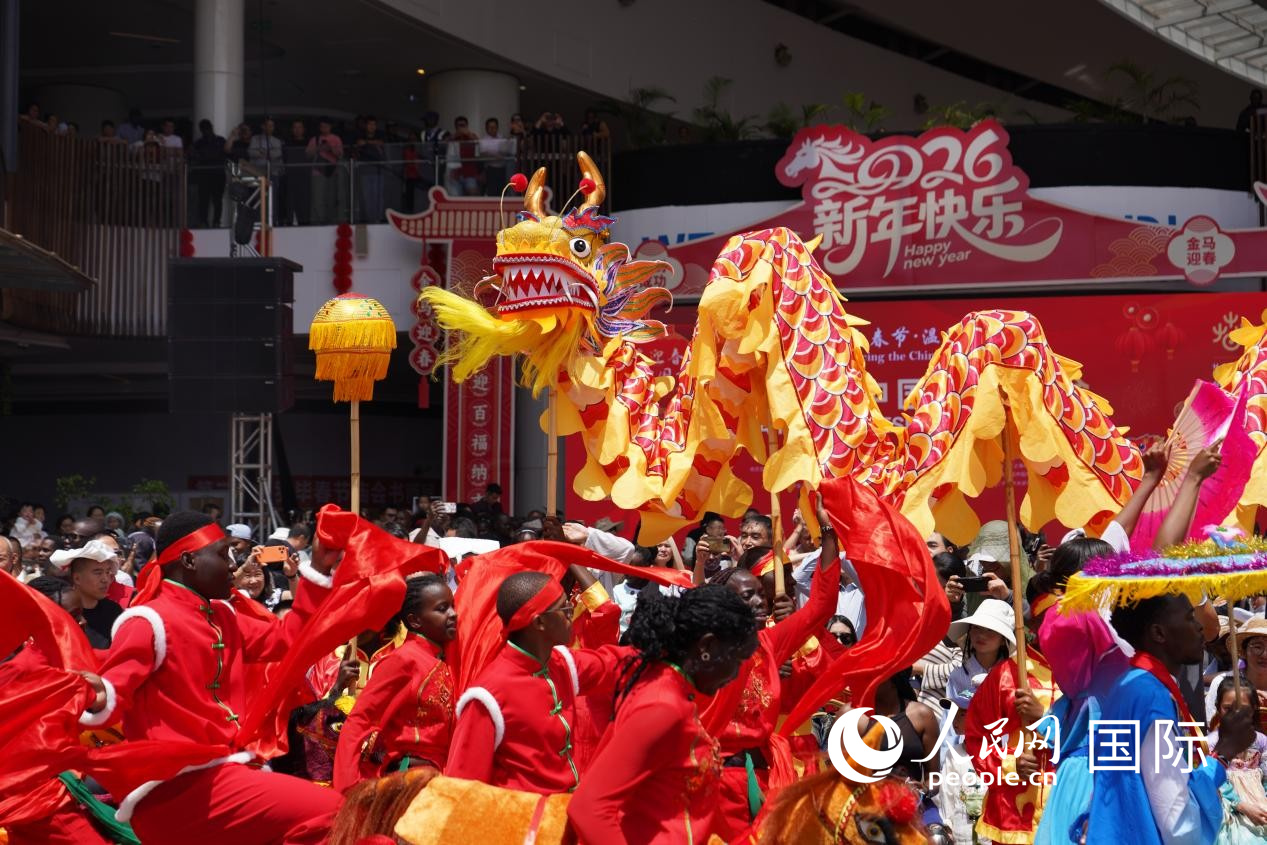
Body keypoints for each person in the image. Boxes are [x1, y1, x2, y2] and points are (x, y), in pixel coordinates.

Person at [76, 511, 342, 844]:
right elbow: (113, 691)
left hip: (223, 776)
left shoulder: (223, 616)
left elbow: (290, 639)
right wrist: (99, 695)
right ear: (189, 560)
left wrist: (317, 570)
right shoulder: (148, 620)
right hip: (177, 789)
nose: (232, 565)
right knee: (338, 812)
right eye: (222, 553)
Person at [568, 585, 758, 843]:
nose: (735, 675)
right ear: (707, 646)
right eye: (736, 660)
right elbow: (589, 807)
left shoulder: (670, 688)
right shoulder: (663, 706)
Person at [703, 505, 842, 840]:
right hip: (715, 778)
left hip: (767, 772)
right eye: (748, 595)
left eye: (759, 593)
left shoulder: (768, 642)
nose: (759, 602)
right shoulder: (701, 650)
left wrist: (828, 532)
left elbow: (821, 606)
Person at [1087, 595, 1256, 845]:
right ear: (1159, 633)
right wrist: (1224, 752)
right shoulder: (1151, 696)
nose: (1199, 626)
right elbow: (1177, 822)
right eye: (1189, 617)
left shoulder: (1131, 683)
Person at [445, 569, 628, 793]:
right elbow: (461, 788)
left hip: (563, 809)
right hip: (521, 813)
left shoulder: (560, 662)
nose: (571, 613)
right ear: (539, 622)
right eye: (564, 609)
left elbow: (615, 664)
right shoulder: (487, 696)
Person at [334, 574, 457, 790]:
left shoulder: (444, 659)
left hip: (441, 776)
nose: (453, 614)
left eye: (453, 606)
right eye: (442, 609)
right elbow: (359, 720)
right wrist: (349, 787)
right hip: (410, 780)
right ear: (415, 620)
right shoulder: (404, 659)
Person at [961, 600, 1058, 845]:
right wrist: (1011, 764)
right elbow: (976, 736)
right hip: (1015, 808)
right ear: (1035, 624)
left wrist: (1043, 718)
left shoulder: (1086, 674)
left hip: (1068, 797)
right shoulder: (1007, 674)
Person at [1208, 675, 1267, 844]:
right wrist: (1241, 806)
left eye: (1244, 710)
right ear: (1218, 707)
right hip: (1229, 807)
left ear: (1254, 708)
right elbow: (1214, 782)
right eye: (1228, 709)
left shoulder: (1261, 741)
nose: (1236, 716)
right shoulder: (1211, 743)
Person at [60, 541, 124, 648]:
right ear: (77, 578)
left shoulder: (114, 611)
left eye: (107, 572)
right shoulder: (64, 613)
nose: (105, 579)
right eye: (98, 573)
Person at [191, 119, 227, 228]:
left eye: (208, 128)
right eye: (204, 129)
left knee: (217, 200)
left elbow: (226, 155)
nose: (207, 131)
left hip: (218, 174)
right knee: (204, 200)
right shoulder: (199, 143)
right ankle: (204, 222)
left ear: (211, 127)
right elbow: (195, 157)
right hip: (204, 175)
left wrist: (207, 156)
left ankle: (216, 222)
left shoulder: (220, 140)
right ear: (201, 130)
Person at [307, 118, 344, 224]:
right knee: (317, 198)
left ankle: (330, 221)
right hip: (317, 172)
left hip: (332, 172)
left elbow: (341, 155)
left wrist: (331, 148)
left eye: (326, 126)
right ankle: (318, 222)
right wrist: (318, 149)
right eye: (322, 126)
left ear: (330, 127)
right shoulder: (314, 139)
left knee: (331, 197)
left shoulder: (336, 139)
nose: (324, 128)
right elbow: (308, 155)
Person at [249, 117, 286, 223]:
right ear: (263, 126)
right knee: (258, 198)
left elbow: (277, 154)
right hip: (257, 173)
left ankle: (272, 221)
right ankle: (258, 221)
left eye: (271, 126)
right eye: (267, 125)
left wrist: (262, 152)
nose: (270, 128)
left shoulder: (276, 141)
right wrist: (267, 153)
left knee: (272, 198)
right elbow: (251, 152)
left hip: (272, 173)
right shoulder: (255, 139)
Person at [354, 115, 386, 223]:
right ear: (365, 125)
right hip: (365, 170)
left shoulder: (381, 135)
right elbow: (358, 144)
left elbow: (381, 143)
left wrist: (367, 142)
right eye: (369, 124)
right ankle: (369, 220)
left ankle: (378, 219)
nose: (372, 126)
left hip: (378, 170)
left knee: (378, 196)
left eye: (374, 124)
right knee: (367, 196)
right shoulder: (360, 135)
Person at [284, 119, 311, 225]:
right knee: (290, 200)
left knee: (304, 200)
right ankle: (289, 222)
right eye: (295, 127)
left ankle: (305, 222)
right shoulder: (287, 143)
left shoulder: (309, 143)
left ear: (303, 129)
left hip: (305, 175)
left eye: (299, 127)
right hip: (291, 175)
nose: (297, 130)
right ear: (292, 129)